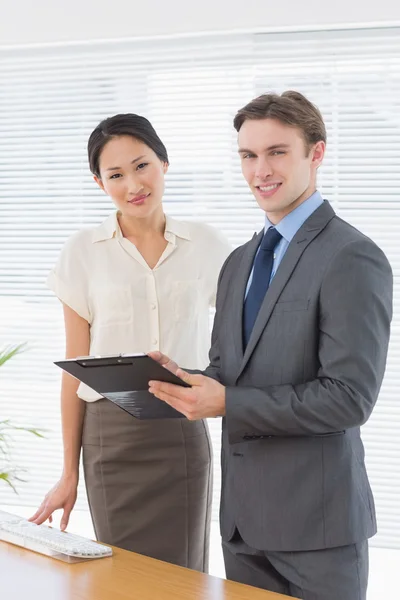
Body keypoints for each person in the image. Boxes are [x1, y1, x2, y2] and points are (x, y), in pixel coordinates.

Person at [147, 91, 393, 599]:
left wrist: (227, 401)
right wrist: (185, 379)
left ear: (316, 153)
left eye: (277, 152)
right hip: (243, 527)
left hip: (317, 530)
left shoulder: (352, 256)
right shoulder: (239, 261)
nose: (261, 170)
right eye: (248, 155)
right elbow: (229, 372)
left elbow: (349, 398)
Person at [29, 113, 231, 571]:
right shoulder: (83, 252)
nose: (133, 184)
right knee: (119, 577)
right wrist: (68, 473)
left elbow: (243, 338)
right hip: (110, 439)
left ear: (163, 162)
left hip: (181, 431)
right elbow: (74, 372)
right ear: (100, 183)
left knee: (184, 576)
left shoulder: (208, 245)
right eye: (115, 174)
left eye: (142, 166)